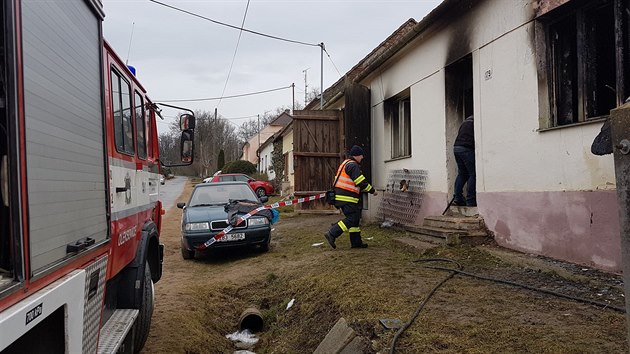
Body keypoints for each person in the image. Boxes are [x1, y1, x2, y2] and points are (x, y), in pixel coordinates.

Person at [324, 145, 377, 249]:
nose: (362, 158)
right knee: (352, 219)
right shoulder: (353, 165)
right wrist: (372, 190)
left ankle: (356, 242)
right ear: (357, 155)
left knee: (355, 220)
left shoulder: (346, 163)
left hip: (343, 197)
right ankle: (332, 233)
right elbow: (360, 182)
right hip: (347, 198)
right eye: (361, 155)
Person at [453, 115, 476, 206]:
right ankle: (471, 201)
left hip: (456, 148)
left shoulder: (465, 121)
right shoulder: (476, 121)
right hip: (466, 148)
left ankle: (458, 197)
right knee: (473, 174)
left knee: (462, 173)